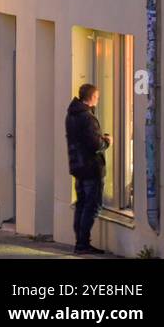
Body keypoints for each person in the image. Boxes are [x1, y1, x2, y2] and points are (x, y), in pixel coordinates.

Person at [66, 83, 112, 255]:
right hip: (91, 167)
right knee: (92, 205)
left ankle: (80, 242)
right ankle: (83, 243)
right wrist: (107, 141)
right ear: (92, 97)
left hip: (77, 166)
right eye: (97, 97)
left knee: (81, 204)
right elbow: (94, 144)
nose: (98, 99)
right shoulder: (86, 117)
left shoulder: (72, 115)